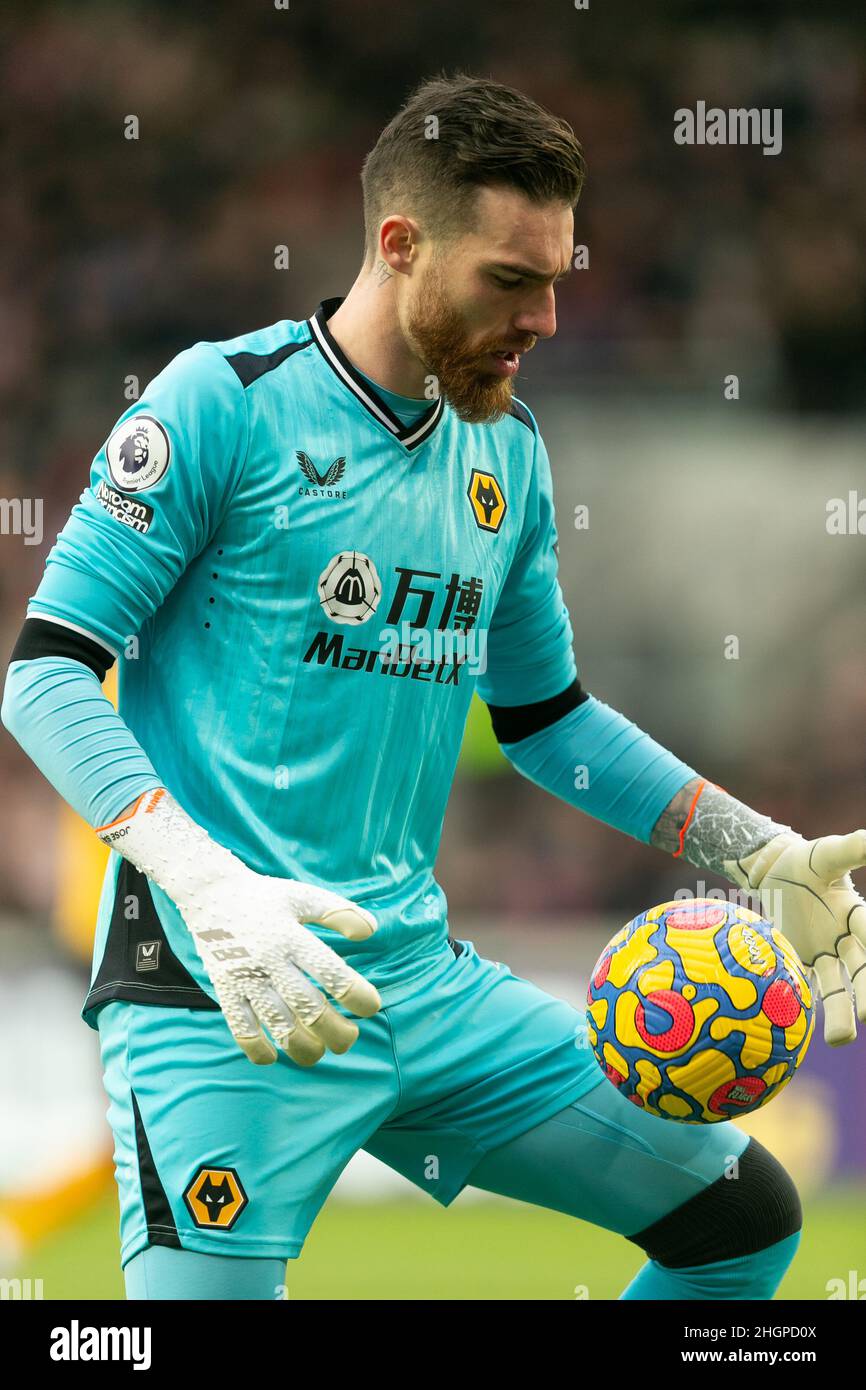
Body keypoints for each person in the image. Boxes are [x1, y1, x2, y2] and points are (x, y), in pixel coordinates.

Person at [3, 73, 864, 1302]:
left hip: (421, 983)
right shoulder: (219, 405)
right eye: (511, 281)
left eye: (558, 278)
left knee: (740, 1223)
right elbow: (43, 675)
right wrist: (204, 881)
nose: (547, 319)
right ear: (400, 246)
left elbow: (547, 722)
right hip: (223, 990)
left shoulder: (503, 455)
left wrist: (755, 848)